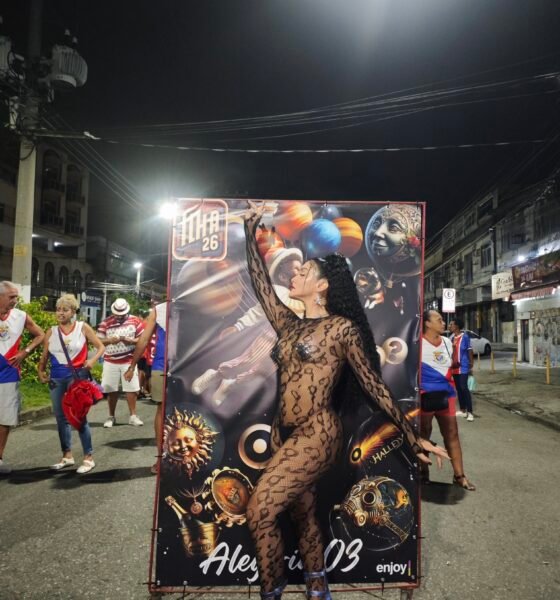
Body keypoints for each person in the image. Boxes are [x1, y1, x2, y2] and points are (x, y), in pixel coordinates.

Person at [242, 202, 448, 600]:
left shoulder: (342, 329)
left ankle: (271, 592)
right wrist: (252, 228)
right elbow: (260, 282)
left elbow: (373, 385)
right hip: (282, 433)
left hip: (318, 433)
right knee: (303, 512)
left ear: (323, 285)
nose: (295, 273)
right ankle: (318, 587)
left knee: (260, 510)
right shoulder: (288, 323)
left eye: (304, 271)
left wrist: (411, 435)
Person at [191, 246, 304, 405]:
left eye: (301, 269)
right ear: (282, 276)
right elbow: (257, 312)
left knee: (262, 372)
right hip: (271, 336)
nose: (300, 272)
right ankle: (216, 374)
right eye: (296, 269)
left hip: (288, 343)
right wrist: (238, 326)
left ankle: (231, 384)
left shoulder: (303, 296)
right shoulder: (277, 292)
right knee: (247, 361)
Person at [37, 294, 105, 474]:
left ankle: (88, 457)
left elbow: (101, 347)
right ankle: (67, 455)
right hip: (56, 378)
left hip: (77, 377)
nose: (60, 313)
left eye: (65, 310)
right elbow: (45, 355)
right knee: (61, 418)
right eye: (58, 309)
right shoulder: (51, 331)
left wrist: (92, 361)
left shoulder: (83, 327)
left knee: (79, 417)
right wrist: (41, 370)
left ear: (73, 312)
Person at [420, 309, 475, 491]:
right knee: (423, 434)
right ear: (427, 323)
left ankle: (459, 476)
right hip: (424, 396)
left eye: (443, 320)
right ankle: (422, 473)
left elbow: (450, 364)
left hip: (446, 395)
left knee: (452, 434)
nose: (443, 323)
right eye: (439, 320)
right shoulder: (416, 343)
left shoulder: (446, 342)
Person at [0, 281, 45, 474]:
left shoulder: (20, 316)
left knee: (5, 419)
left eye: (16, 297)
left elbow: (40, 335)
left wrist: (25, 352)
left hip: (8, 374)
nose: (15, 301)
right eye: (11, 297)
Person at [124, 301, 166, 473]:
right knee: (163, 409)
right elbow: (144, 339)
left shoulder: (197, 302)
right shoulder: (160, 309)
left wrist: (132, 366)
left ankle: (168, 458)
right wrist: (132, 365)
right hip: (164, 366)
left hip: (176, 366)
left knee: (165, 410)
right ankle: (161, 458)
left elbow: (144, 339)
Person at [97, 298, 144, 427]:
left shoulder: (135, 321)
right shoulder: (106, 322)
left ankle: (133, 416)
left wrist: (131, 341)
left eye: (121, 314)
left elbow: (142, 338)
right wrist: (109, 340)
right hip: (110, 360)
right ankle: (111, 416)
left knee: (131, 389)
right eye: (117, 314)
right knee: (111, 389)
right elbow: (98, 340)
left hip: (129, 360)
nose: (119, 317)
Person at [449, 318, 474, 421]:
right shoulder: (451, 338)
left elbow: (470, 350)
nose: (449, 326)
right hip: (454, 367)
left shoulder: (465, 337)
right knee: (459, 389)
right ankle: (463, 410)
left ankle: (470, 412)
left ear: (457, 326)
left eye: (451, 324)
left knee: (464, 388)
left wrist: (471, 364)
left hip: (463, 366)